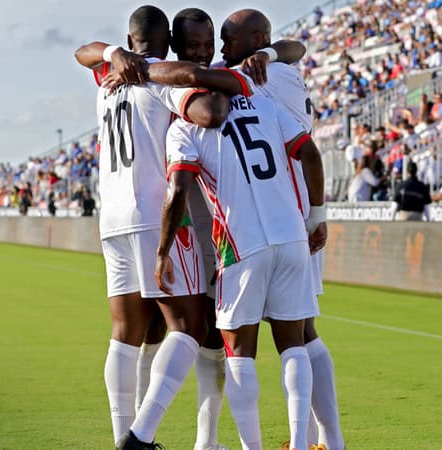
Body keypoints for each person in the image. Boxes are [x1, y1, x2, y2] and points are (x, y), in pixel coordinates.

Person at [74, 6, 249, 448]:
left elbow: (84, 52)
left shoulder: (107, 80)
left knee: (126, 332)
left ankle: (127, 436)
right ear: (169, 44)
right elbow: (210, 112)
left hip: (112, 216)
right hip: (161, 215)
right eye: (192, 48)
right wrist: (192, 74)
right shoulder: (155, 79)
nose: (202, 54)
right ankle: (139, 437)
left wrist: (113, 54)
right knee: (190, 327)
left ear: (129, 41)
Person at [161, 73, 326, 450]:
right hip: (291, 235)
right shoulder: (267, 106)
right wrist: (318, 215)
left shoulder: (185, 129)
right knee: (293, 343)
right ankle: (300, 443)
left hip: (240, 243)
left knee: (239, 351)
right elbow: (310, 153)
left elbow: (179, 189)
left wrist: (162, 250)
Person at [219, 9, 345, 450]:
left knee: (301, 333)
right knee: (300, 333)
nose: (221, 50)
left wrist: (316, 215)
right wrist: (269, 50)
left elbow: (289, 47)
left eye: (228, 40)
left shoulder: (265, 74)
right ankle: (315, 439)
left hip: (291, 215)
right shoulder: (277, 67)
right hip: (295, 215)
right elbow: (295, 47)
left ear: (253, 40)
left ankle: (328, 438)